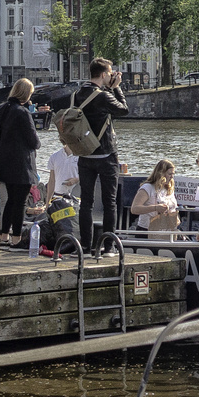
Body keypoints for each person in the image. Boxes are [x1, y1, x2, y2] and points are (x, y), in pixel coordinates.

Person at [68, 58, 129, 252]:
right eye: (110, 73)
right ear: (103, 75)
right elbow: (123, 110)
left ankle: (85, 245)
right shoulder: (103, 96)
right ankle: (108, 246)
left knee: (86, 201)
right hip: (106, 154)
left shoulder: (76, 95)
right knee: (109, 201)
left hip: (84, 155)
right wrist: (116, 88)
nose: (111, 76)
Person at [0, 78, 40, 247]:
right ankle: (16, 238)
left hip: (4, 162)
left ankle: (4, 236)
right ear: (26, 94)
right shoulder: (23, 112)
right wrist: (38, 144)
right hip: (21, 164)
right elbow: (33, 140)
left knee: (9, 201)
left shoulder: (1, 108)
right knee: (20, 202)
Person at [129, 158, 179, 233]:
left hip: (166, 229)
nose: (172, 177)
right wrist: (155, 208)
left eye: (173, 174)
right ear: (161, 174)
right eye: (169, 174)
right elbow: (134, 209)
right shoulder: (148, 188)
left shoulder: (169, 188)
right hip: (147, 230)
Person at [44, 121, 79, 203]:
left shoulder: (81, 156)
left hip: (76, 196)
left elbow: (88, 176)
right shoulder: (55, 157)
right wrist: (47, 203)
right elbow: (51, 181)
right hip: (57, 196)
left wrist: (76, 180)